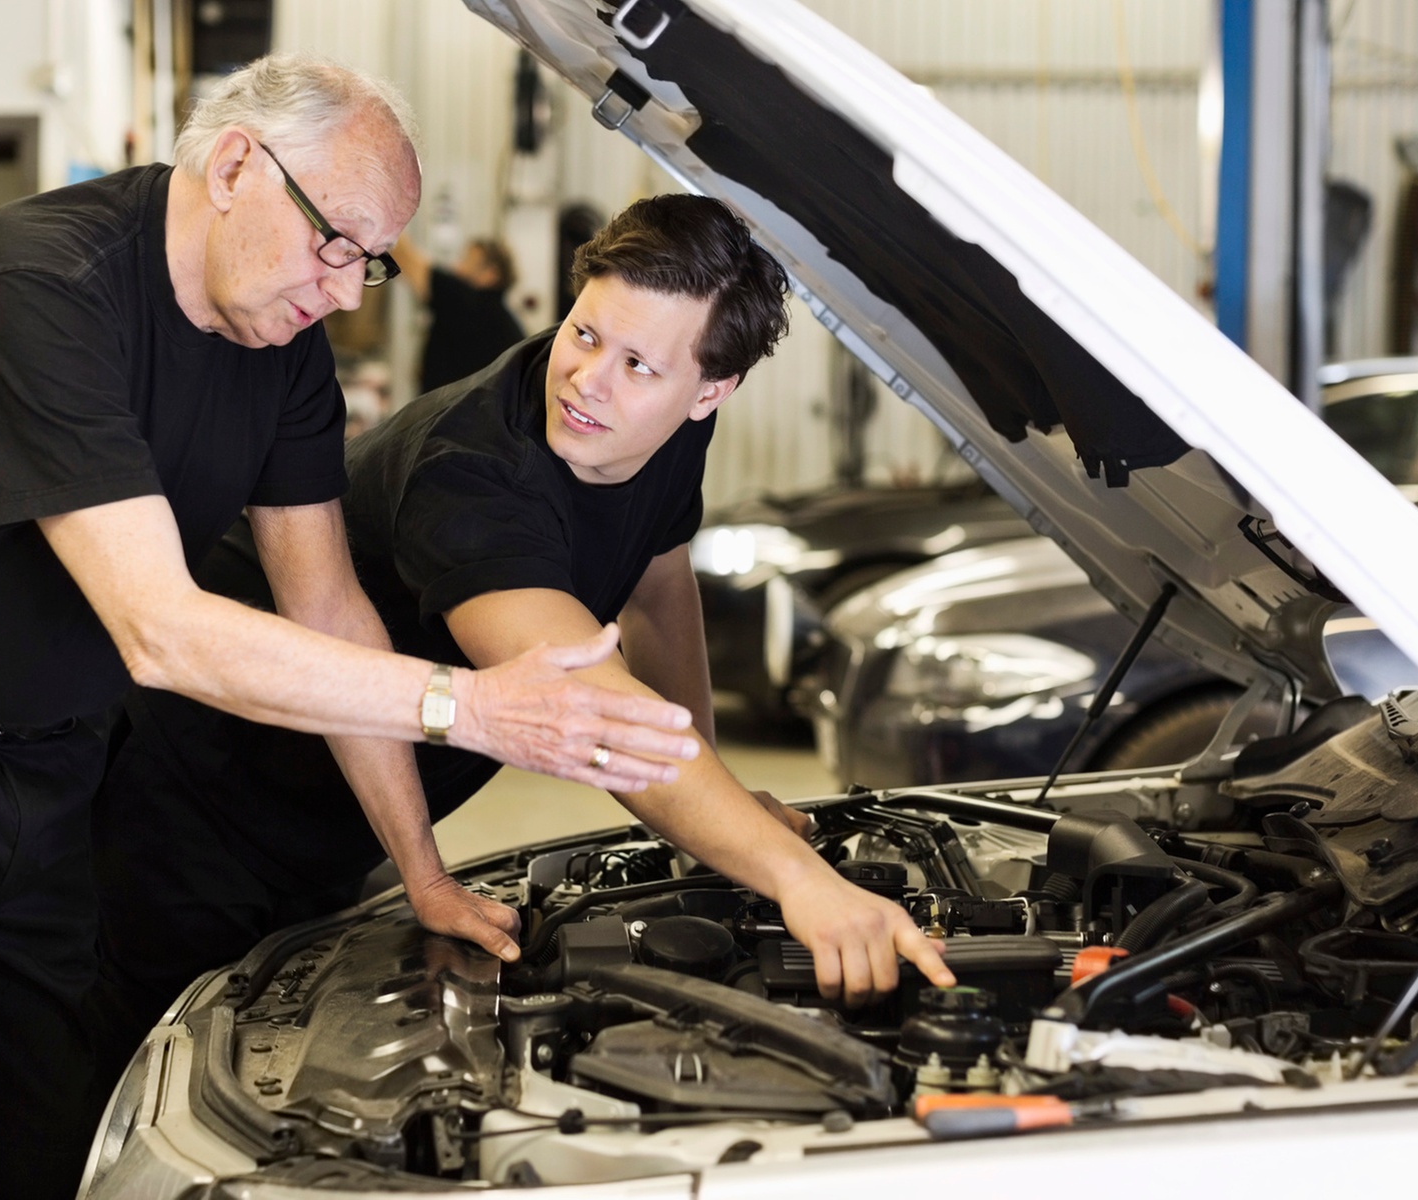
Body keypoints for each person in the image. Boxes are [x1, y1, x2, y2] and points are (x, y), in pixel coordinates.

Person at [0, 55, 699, 1200]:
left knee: (38, 1126)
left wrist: (418, 866)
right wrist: (467, 705)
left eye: (369, 261)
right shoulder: (38, 290)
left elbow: (326, 600)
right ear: (235, 165)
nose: (347, 291)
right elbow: (162, 631)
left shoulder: (280, 353)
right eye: (338, 242)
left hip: (54, 764)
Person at [86, 195, 957, 1096]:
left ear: (709, 393)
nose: (588, 383)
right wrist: (800, 882)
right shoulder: (475, 475)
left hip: (344, 808)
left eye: (636, 365)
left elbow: (658, 588)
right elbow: (602, 719)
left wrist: (719, 804)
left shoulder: (655, 434)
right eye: (583, 336)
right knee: (157, 1080)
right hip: (192, 794)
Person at [390, 232, 527, 392]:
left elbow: (404, 258)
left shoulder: (468, 302)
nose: (457, 267)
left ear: (491, 274)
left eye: (468, 262)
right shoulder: (507, 324)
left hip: (444, 412)